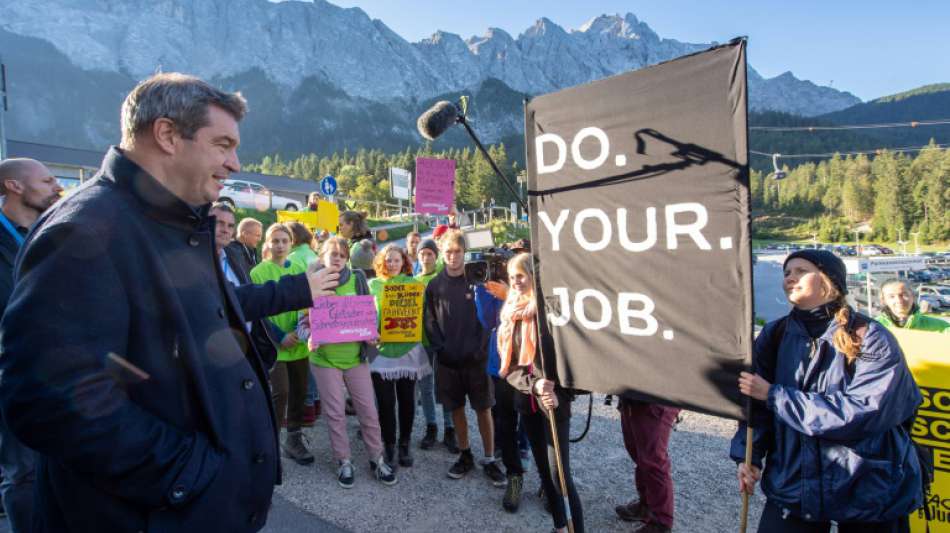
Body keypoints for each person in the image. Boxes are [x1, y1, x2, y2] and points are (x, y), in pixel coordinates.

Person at [0, 73, 340, 533]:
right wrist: (190, 473)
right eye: (222, 144)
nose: (235, 163)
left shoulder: (174, 223)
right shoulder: (85, 231)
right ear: (166, 135)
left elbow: (218, 313)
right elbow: (48, 400)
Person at [732, 249, 923, 532]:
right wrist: (749, 456)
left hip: (869, 488)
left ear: (827, 280)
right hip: (795, 484)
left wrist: (776, 395)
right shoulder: (775, 334)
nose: (790, 278)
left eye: (800, 271)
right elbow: (755, 409)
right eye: (786, 273)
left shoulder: (872, 337)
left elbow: (864, 412)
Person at [296, 236, 396, 488]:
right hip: (325, 359)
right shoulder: (313, 284)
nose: (338, 258)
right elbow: (301, 324)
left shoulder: (358, 279)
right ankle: (344, 460)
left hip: (355, 358)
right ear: (323, 257)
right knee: (335, 413)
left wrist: (372, 334)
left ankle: (377, 458)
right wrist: (309, 338)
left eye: (342, 255)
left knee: (368, 410)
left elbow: (367, 316)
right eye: (333, 254)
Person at [499, 253, 585, 533]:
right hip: (528, 402)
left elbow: (577, 363)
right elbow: (510, 366)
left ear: (535, 277)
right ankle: (560, 527)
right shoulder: (511, 312)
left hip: (554, 404)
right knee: (546, 476)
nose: (516, 282)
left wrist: (563, 392)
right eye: (512, 277)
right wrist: (532, 385)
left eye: (521, 275)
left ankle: (577, 530)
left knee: (560, 476)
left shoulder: (554, 312)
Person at [0, 157, 62, 533]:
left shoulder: (48, 235)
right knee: (23, 473)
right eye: (48, 179)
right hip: (12, 377)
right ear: (15, 186)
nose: (58, 186)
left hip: (57, 373)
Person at [424, 229, 505, 486]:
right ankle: (465, 453)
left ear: (464, 252)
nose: (453, 256)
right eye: (448, 251)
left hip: (477, 360)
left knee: (483, 408)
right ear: (442, 253)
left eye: (458, 251)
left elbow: (492, 318)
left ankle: (490, 458)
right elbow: (429, 321)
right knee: (456, 408)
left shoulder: (479, 281)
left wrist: (482, 349)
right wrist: (441, 348)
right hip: (449, 361)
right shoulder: (435, 284)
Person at [251, 223, 314, 466]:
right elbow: (259, 313)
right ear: (267, 243)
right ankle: (271, 445)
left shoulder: (299, 268)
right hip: (275, 345)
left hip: (298, 342)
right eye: (274, 241)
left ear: (291, 244)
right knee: (281, 392)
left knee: (299, 391)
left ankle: (294, 440)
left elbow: (307, 304)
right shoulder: (258, 272)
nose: (279, 245)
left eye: (284, 241)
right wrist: (280, 336)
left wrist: (303, 329)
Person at [369, 244, 431, 468]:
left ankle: (404, 444)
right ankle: (389, 444)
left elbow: (422, 313)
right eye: (388, 260)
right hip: (381, 352)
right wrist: (370, 332)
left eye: (396, 260)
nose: (392, 264)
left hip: (407, 350)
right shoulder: (372, 285)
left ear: (404, 262)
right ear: (381, 262)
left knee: (407, 400)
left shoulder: (414, 285)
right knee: (385, 403)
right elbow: (367, 315)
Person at [476, 277, 525, 513]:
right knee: (506, 425)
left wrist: (510, 296)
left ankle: (554, 484)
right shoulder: (497, 285)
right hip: (503, 367)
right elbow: (487, 320)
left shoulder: (533, 286)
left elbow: (541, 313)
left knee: (543, 429)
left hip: (533, 368)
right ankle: (514, 477)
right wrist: (483, 288)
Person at [215, 202, 281, 368]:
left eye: (230, 225)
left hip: (245, 345)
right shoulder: (194, 260)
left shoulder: (234, 257)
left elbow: (250, 298)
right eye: (219, 223)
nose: (225, 229)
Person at [414, 238, 456, 452]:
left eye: (430, 253)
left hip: (443, 340)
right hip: (421, 341)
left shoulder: (443, 278)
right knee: (425, 386)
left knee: (445, 385)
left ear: (435, 256)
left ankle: (450, 428)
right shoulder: (412, 281)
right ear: (417, 256)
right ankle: (431, 426)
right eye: (423, 254)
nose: (426, 257)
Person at [614, 397, 680, 533]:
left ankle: (661, 523)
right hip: (633, 395)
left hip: (657, 394)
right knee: (638, 452)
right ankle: (646, 506)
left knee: (653, 460)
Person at [286, 221, 321, 426]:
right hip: (318, 311)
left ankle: (307, 410)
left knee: (303, 366)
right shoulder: (313, 255)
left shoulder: (293, 258)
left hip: (300, 311)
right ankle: (316, 404)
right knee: (313, 360)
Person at [876, 279, 949, 333]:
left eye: (904, 295)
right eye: (892, 296)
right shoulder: (874, 328)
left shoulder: (942, 327)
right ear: (883, 300)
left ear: (913, 296)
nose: (899, 300)